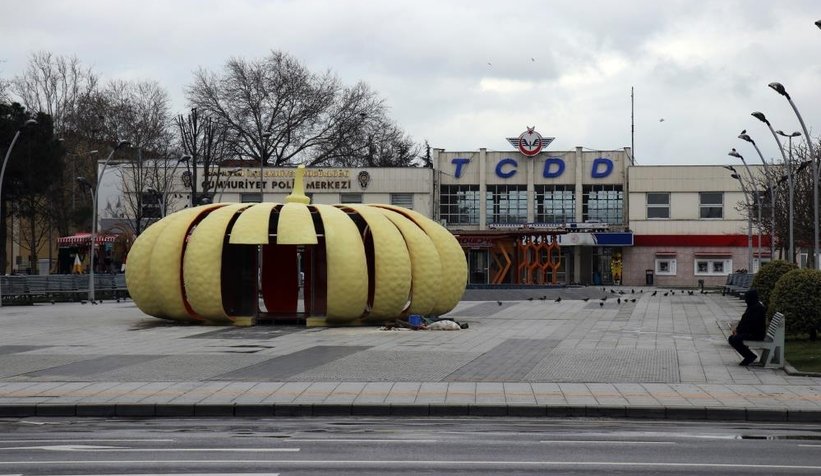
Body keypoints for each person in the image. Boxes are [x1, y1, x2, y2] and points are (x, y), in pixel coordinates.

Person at [729, 288, 767, 366]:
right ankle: (749, 355)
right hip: (750, 332)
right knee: (732, 338)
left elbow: (751, 324)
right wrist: (737, 330)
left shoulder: (757, 308)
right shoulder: (752, 306)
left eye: (747, 298)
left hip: (756, 334)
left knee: (735, 339)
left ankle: (750, 356)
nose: (746, 300)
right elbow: (745, 320)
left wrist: (739, 332)